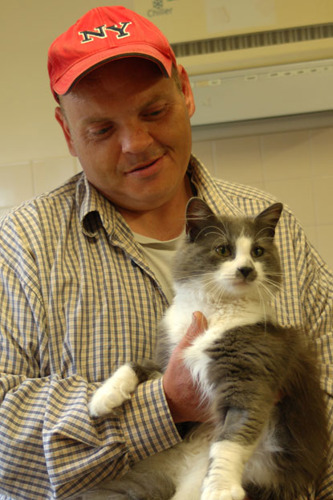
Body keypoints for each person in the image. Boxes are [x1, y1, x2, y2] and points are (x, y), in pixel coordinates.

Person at [0, 5, 331, 499]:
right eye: (102, 129)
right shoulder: (20, 248)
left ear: (186, 92)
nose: (137, 143)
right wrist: (165, 405)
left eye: (153, 112)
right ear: (67, 131)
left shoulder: (270, 230)